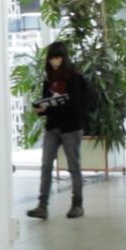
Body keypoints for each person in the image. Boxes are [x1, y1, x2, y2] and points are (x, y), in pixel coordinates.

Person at [26, 41, 86, 221]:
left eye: (58, 57)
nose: (54, 62)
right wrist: (42, 109)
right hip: (52, 127)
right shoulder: (48, 80)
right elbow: (46, 102)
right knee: (46, 166)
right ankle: (42, 205)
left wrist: (51, 107)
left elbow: (75, 105)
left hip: (71, 128)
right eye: (52, 58)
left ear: (64, 58)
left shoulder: (74, 78)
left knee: (73, 167)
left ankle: (77, 204)